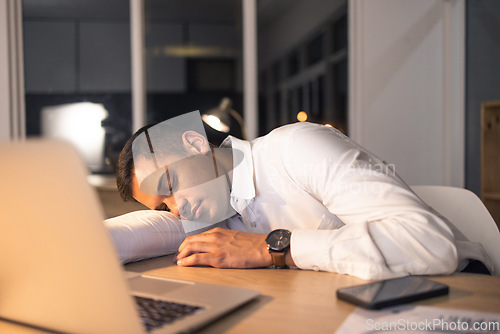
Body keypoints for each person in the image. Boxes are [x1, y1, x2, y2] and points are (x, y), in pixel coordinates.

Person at [116, 112, 492, 280]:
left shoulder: (296, 147)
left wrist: (272, 247)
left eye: (170, 185)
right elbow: (145, 231)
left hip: (459, 290)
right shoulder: (219, 210)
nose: (177, 209)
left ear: (196, 142)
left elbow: (430, 243)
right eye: (164, 207)